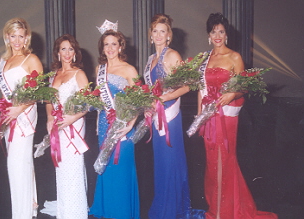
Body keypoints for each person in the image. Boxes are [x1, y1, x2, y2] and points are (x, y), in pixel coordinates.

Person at [198, 13, 278, 219]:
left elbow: (244, 87)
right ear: (209, 34)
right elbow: (201, 88)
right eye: (214, 31)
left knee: (224, 160)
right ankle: (216, 207)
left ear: (227, 35)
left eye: (221, 31)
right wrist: (199, 117)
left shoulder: (234, 57)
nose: (217, 35)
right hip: (209, 118)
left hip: (227, 117)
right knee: (212, 163)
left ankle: (223, 212)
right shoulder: (204, 59)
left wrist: (232, 93)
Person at [143, 14, 205, 219]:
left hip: (169, 116)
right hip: (156, 115)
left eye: (163, 31)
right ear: (150, 35)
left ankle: (172, 211)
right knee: (161, 163)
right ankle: (164, 207)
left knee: (170, 162)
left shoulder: (172, 55)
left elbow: (188, 85)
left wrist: (164, 97)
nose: (159, 35)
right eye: (155, 31)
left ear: (169, 35)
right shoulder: (151, 59)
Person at [89, 28, 140, 219]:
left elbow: (139, 101)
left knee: (121, 168)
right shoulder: (99, 70)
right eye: (106, 44)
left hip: (123, 126)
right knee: (106, 168)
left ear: (120, 47)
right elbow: (101, 101)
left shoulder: (129, 69)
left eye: (114, 44)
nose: (110, 48)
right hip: (104, 125)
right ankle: (109, 211)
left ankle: (122, 213)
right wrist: (96, 124)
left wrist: (130, 123)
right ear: (102, 48)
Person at [0, 18, 42, 218]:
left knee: (18, 166)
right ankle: (27, 210)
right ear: (7, 37)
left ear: (26, 38)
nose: (16, 40)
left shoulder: (31, 59)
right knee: (18, 166)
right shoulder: (3, 61)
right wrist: (8, 109)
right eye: (12, 36)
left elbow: (40, 92)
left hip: (24, 119)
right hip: (10, 118)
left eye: (20, 36)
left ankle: (21, 214)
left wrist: (19, 109)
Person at [45, 34, 89, 218]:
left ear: (75, 52)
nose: (67, 53)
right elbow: (49, 100)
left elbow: (87, 104)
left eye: (71, 49)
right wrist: (49, 118)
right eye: (63, 49)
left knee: (73, 167)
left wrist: (71, 119)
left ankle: (76, 212)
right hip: (57, 126)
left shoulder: (79, 74)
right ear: (57, 52)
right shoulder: (54, 75)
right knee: (61, 167)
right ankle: (65, 210)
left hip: (74, 125)